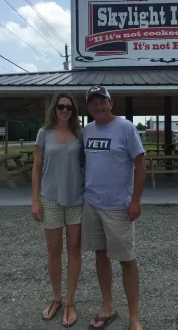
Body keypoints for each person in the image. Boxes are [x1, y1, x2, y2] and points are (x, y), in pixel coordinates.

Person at [81, 85, 146, 330]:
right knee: (100, 255)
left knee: (127, 260)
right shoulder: (86, 131)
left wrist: (136, 200)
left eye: (102, 101)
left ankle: (133, 318)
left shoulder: (126, 128)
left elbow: (140, 165)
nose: (98, 107)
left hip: (119, 206)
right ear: (88, 107)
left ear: (111, 103)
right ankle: (107, 306)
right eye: (92, 103)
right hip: (92, 203)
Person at [31, 92, 84, 327]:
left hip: (76, 199)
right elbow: (36, 167)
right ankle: (56, 299)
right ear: (54, 108)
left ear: (73, 111)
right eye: (61, 107)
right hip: (50, 198)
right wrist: (35, 199)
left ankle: (70, 302)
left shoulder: (79, 135)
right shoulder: (44, 134)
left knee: (74, 249)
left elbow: (89, 164)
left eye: (69, 108)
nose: (65, 111)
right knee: (54, 250)